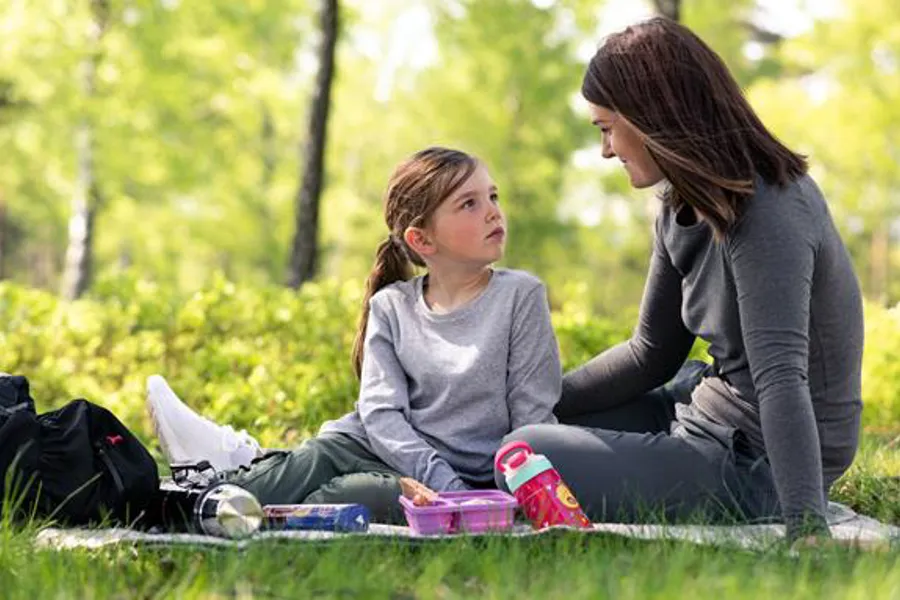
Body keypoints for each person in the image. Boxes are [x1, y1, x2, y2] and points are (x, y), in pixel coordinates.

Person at [495, 17, 863, 544]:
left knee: (527, 450)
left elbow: (781, 377)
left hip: (761, 462)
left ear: (651, 117)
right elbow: (651, 352)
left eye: (605, 128)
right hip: (706, 412)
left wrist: (806, 527)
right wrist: (525, 396)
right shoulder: (678, 203)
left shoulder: (769, 211)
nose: (604, 150)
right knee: (530, 421)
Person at [148, 146, 561, 522]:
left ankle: (231, 475)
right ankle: (176, 505)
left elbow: (531, 418)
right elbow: (380, 415)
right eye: (468, 204)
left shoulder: (521, 296)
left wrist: (493, 494)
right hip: (378, 449)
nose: (492, 212)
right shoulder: (392, 305)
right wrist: (442, 482)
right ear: (422, 239)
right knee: (318, 457)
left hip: (458, 478)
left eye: (492, 196)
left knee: (354, 497)